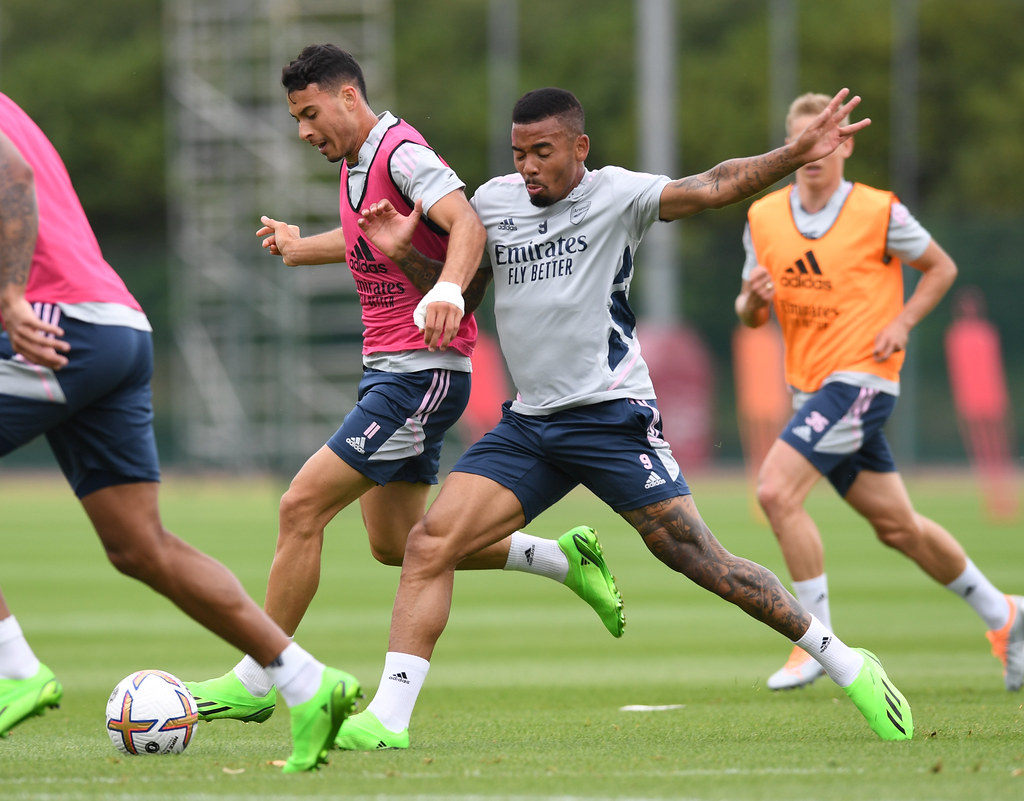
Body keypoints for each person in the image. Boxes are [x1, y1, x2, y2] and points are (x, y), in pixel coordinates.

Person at [340, 86, 914, 750]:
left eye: (542, 151)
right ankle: (389, 718)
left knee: (697, 557)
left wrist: (792, 154)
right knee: (429, 544)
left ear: (579, 148)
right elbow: (465, 299)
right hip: (531, 425)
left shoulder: (617, 194)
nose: (527, 166)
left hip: (610, 416)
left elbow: (713, 187)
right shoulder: (494, 203)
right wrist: (406, 255)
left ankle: (846, 661)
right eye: (518, 152)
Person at [185, 45, 624, 733]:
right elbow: (371, 237)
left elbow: (467, 221)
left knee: (301, 505)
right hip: (392, 373)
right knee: (399, 545)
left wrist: (449, 286)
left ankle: (259, 676)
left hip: (419, 375)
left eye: (309, 113)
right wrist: (305, 247)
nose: (303, 130)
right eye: (297, 117)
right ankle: (560, 557)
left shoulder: (400, 152)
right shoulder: (361, 162)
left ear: (348, 98)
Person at [0, 92, 357, 773]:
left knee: (146, 547)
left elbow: (10, 179)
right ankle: (309, 681)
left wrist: (11, 295)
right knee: (141, 547)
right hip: (115, 323)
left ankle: (13, 666)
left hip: (56, 323)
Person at [734, 91, 1023, 692]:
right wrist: (753, 300)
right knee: (899, 528)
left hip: (863, 380)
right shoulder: (762, 217)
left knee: (775, 492)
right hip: (809, 392)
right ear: (790, 147)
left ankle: (818, 644)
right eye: (802, 139)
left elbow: (940, 267)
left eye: (826, 137)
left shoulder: (877, 211)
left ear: (846, 143)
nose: (814, 150)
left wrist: (904, 321)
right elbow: (750, 315)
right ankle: (1007, 616)